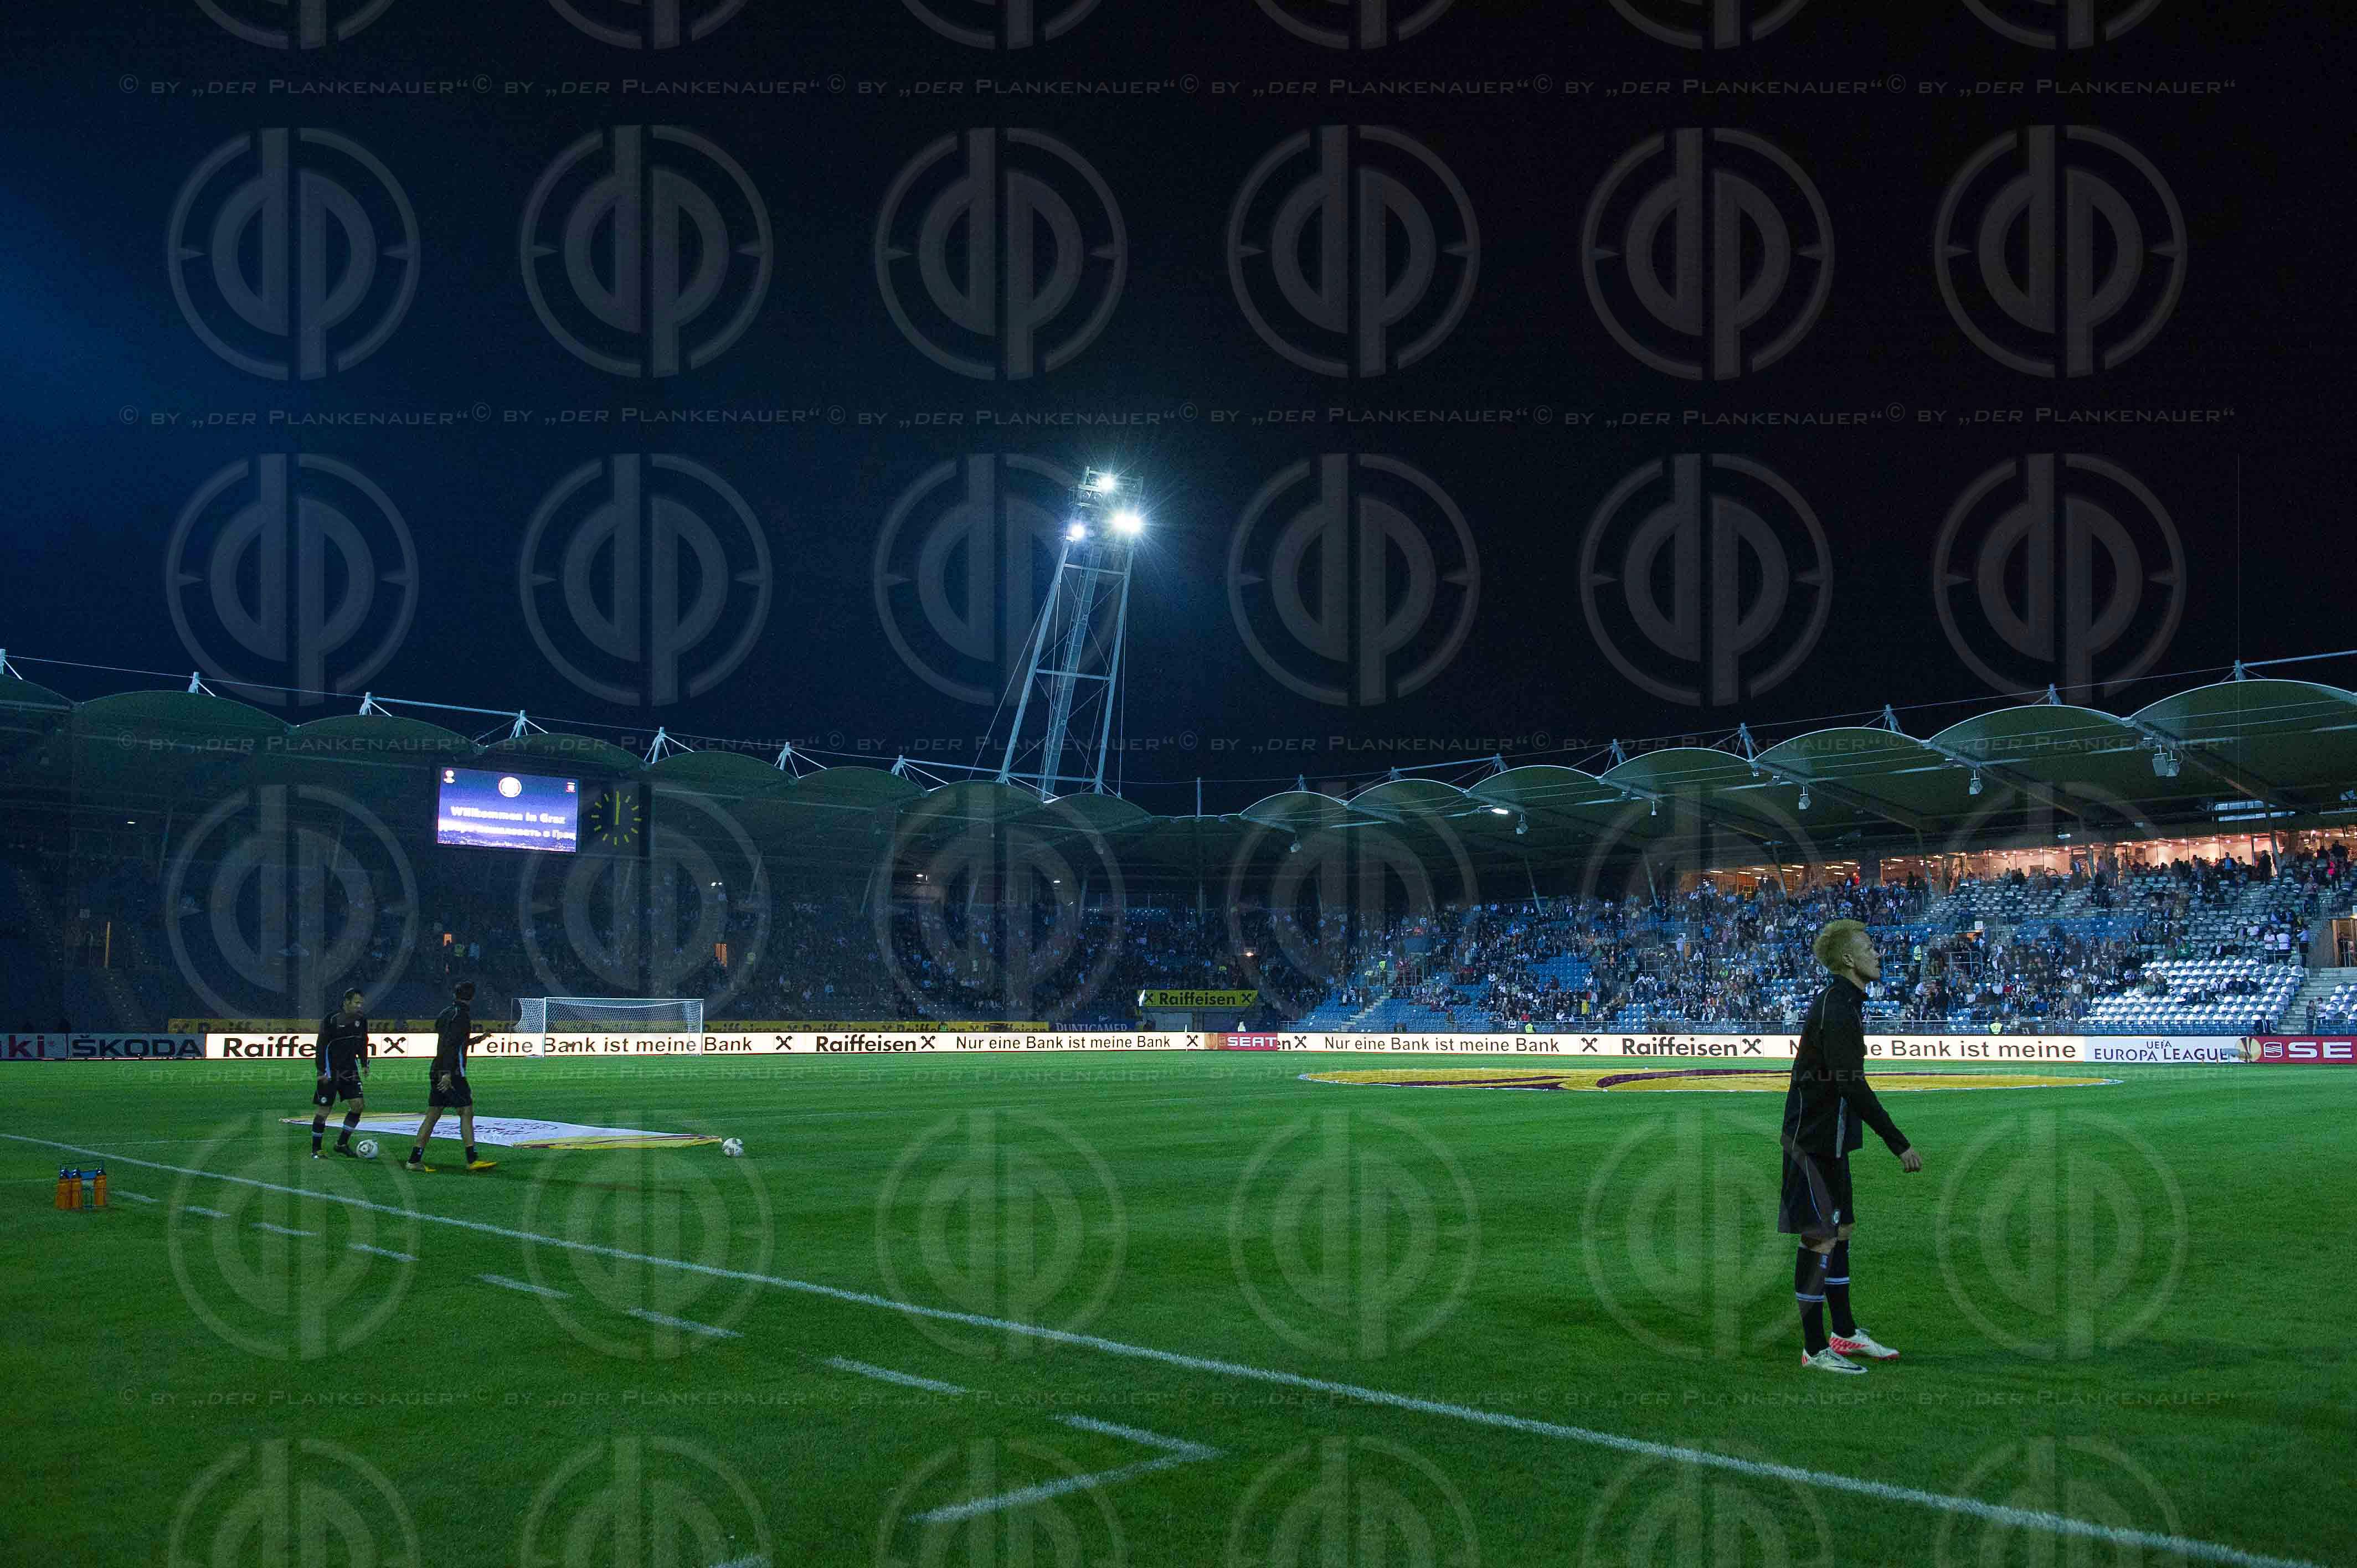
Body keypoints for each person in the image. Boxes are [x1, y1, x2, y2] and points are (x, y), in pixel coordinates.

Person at [1780, 920, 1923, 1375]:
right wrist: (1898, 1143)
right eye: (1868, 947)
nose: (1877, 954)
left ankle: (1843, 1333)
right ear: (1848, 959)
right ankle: (1814, 1348)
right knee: (1819, 1238)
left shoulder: (1846, 1003)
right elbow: (1851, 1085)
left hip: (1834, 1139)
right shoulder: (1837, 1007)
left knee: (1840, 1232)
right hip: (1813, 1141)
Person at [408, 981, 496, 1173]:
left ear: (455, 995)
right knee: (466, 1111)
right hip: (452, 1074)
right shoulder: (462, 1016)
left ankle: (414, 1160)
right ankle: (472, 1160)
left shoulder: (446, 1013)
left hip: (437, 1068)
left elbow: (452, 1041)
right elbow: (451, 1044)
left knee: (433, 1115)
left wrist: (477, 1040)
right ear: (473, 997)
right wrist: (447, 1073)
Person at [312, 989, 371, 1158]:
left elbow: (363, 1042)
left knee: (358, 1105)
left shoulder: (361, 1019)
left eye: (361, 1003)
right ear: (346, 1002)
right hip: (330, 1071)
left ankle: (341, 1144)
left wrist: (364, 1063)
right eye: (356, 1003)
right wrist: (321, 1070)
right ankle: (316, 1149)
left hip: (350, 1070)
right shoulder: (332, 1019)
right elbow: (321, 1045)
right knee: (325, 1109)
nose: (359, 1006)